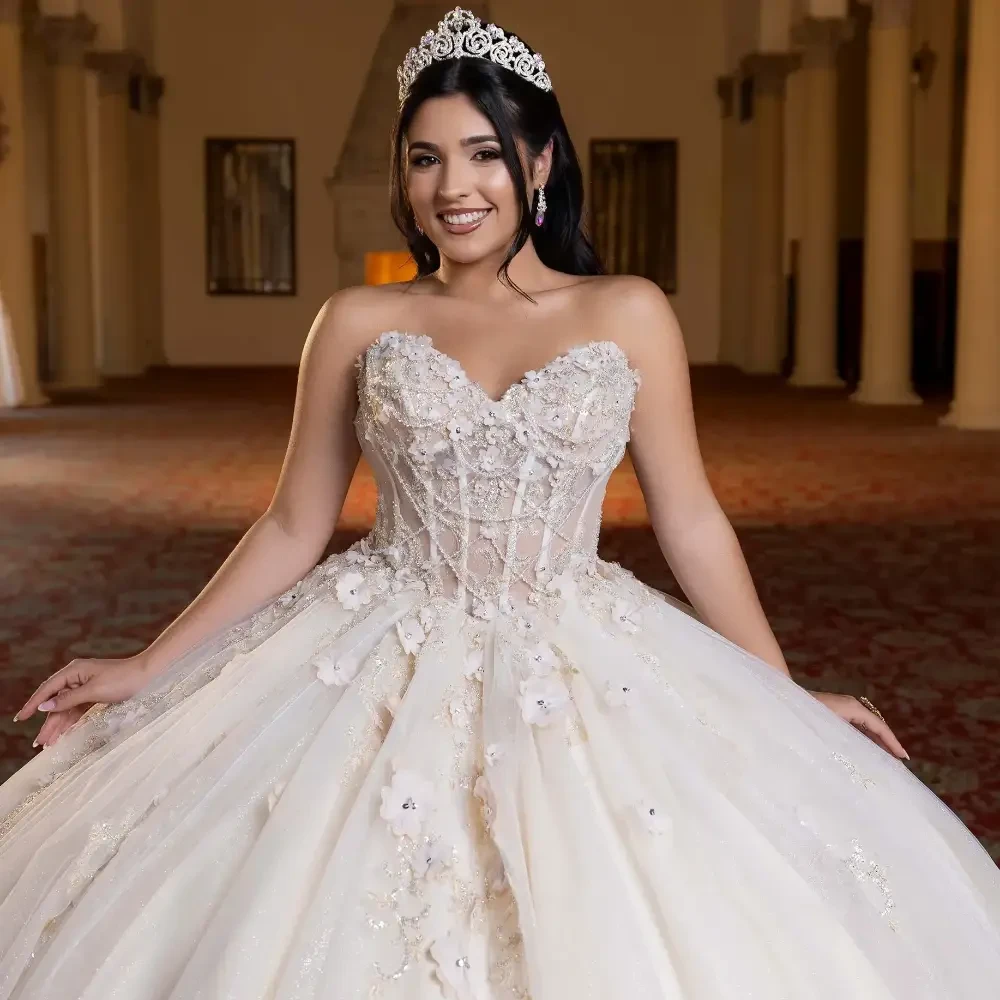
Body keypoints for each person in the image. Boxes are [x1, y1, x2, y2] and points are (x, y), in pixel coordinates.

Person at [2, 7, 998, 997]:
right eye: (424, 159)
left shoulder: (627, 311)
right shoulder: (357, 318)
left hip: (576, 641)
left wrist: (783, 702)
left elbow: (690, 519)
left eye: (482, 153)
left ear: (540, 161)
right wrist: (149, 664)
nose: (452, 187)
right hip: (379, 634)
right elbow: (293, 523)